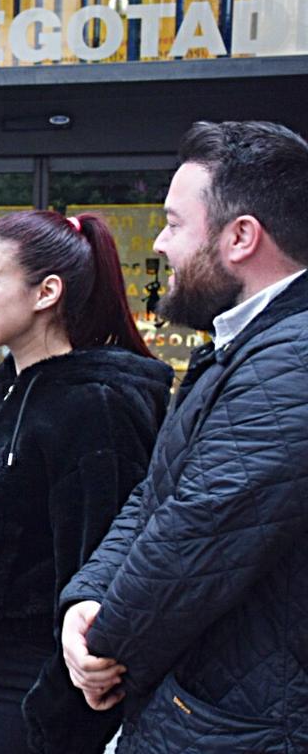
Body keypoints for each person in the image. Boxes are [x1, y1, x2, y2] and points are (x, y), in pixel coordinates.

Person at [61, 121, 308, 752]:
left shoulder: (293, 360)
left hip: (243, 728)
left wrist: (103, 643)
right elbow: (156, 498)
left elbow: (195, 532)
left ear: (241, 237)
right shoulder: (242, 346)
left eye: (173, 223)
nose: (161, 245)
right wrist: (87, 597)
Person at [0, 210, 172, 754]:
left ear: (47, 293)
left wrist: (61, 708)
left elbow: (106, 569)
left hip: (34, 681)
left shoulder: (96, 405)